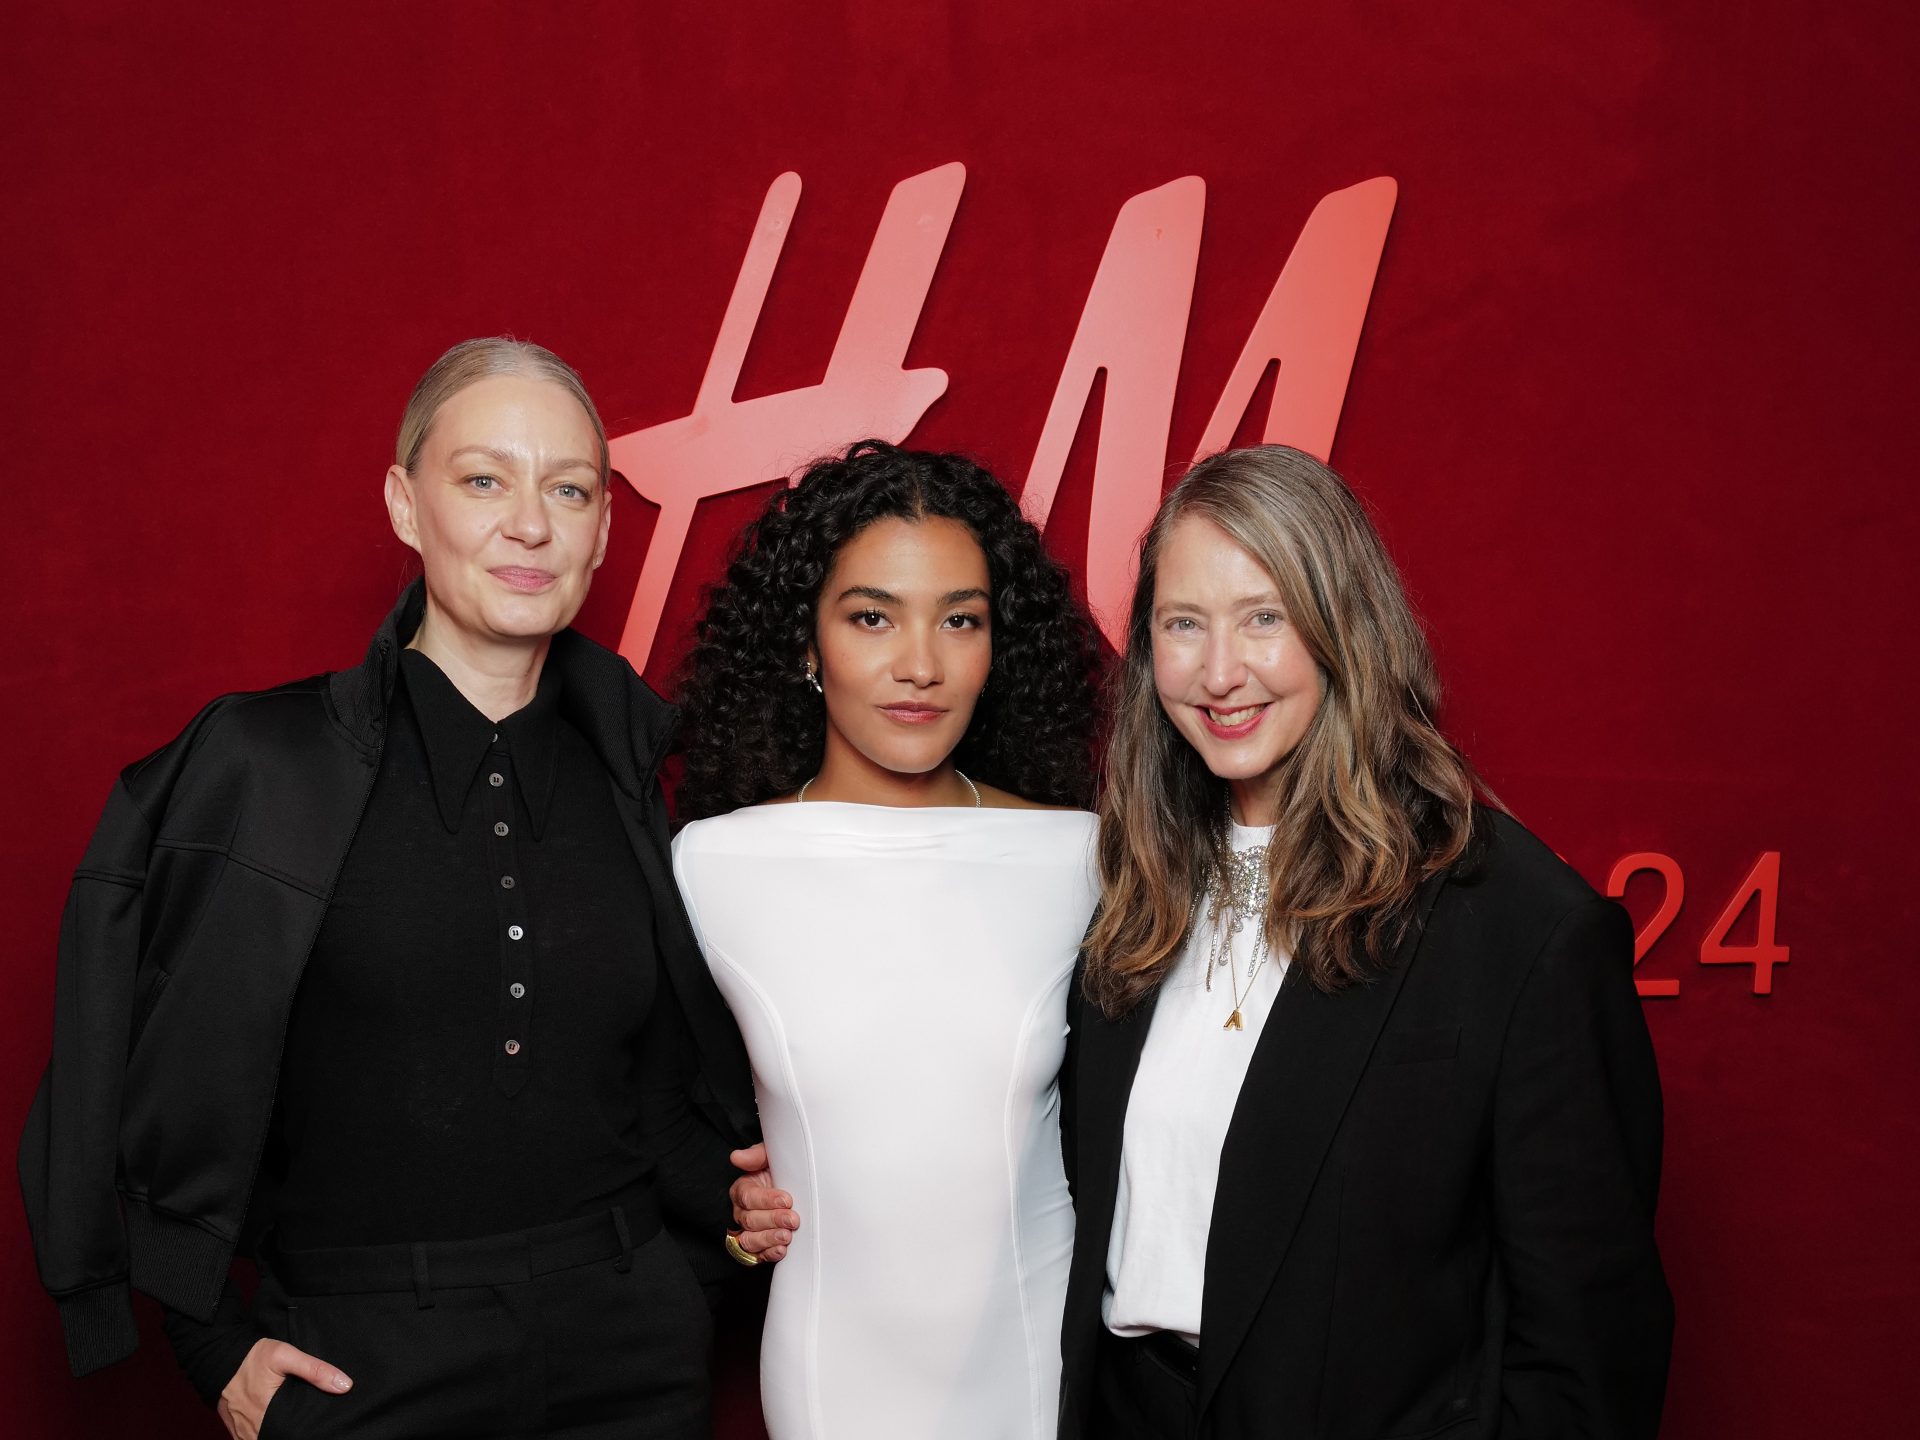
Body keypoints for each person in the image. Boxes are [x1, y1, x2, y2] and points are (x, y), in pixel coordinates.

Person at [18, 338, 778, 1439]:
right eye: (483, 480)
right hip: (361, 1364)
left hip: (630, 1359)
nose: (530, 523)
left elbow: (640, 1101)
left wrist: (733, 1218)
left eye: (568, 489)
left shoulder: (632, 774)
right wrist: (208, 1344)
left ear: (604, 528)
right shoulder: (261, 765)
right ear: (403, 504)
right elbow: (134, 1061)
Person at [1059, 445, 1673, 1438]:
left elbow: (1589, 1346)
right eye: (1184, 624)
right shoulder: (1134, 884)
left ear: (1345, 625)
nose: (1221, 672)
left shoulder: (1521, 924)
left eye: (1265, 617)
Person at [670, 441, 1105, 1439]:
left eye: (961, 620)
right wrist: (726, 1210)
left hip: (1038, 1372)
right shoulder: (714, 867)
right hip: (832, 1377)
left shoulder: (1080, 862)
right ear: (807, 643)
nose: (920, 665)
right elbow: (642, 1109)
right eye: (873, 617)